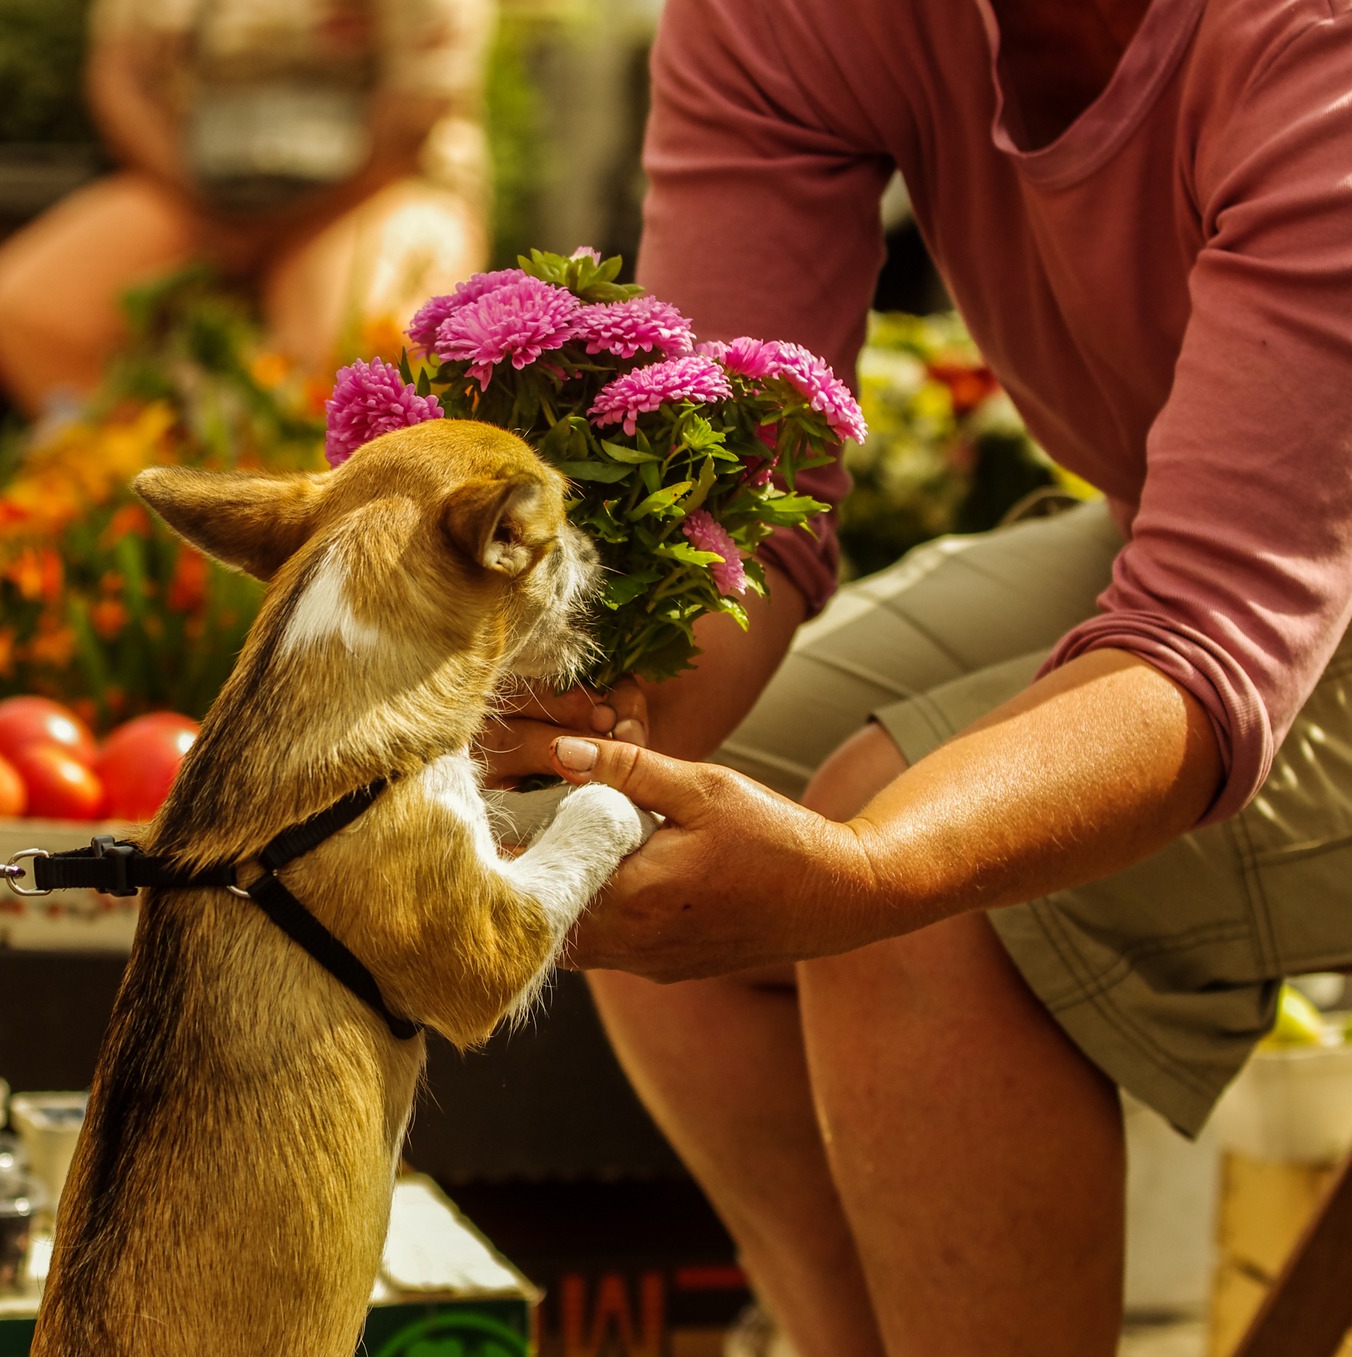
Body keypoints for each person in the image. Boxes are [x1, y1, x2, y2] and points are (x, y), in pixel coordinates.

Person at [483, 1, 1352, 1353]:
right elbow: (740, 497)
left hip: (1252, 578)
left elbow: (1209, 630)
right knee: (651, 815)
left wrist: (874, 873)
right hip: (1224, 536)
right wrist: (589, 732)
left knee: (926, 893)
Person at [0, 0, 493, 417]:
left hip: (380, 184)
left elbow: (420, 109)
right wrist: (206, 202)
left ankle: (330, 497)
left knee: (360, 342)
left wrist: (272, 225)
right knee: (30, 309)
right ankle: (148, 484)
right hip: (195, 185)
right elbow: (120, 79)